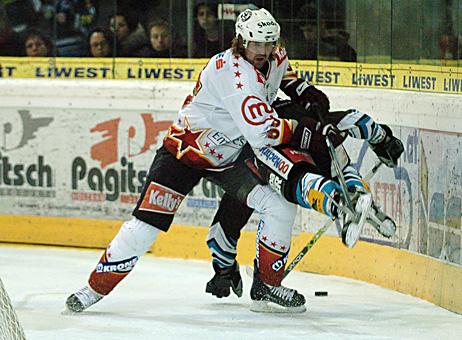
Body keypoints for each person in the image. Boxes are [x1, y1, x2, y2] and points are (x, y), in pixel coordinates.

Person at [65, 8, 330, 314]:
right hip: (184, 155)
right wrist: (301, 127)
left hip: (229, 159)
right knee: (144, 228)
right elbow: (262, 134)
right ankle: (93, 289)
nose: (264, 51)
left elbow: (282, 72)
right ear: (241, 41)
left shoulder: (273, 54)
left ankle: (267, 285)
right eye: (257, 44)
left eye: (270, 43)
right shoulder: (233, 74)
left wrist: (304, 91)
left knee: (280, 205)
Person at [205, 99, 404, 299]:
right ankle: (347, 196)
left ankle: (343, 200)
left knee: (300, 181)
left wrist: (223, 269)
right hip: (297, 149)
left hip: (295, 150)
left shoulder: (256, 142)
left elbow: (225, 224)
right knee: (313, 175)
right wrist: (384, 140)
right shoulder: (268, 136)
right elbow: (357, 120)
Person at [290, 3, 356, 62]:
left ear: (322, 24)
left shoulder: (341, 47)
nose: (306, 35)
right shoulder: (306, 49)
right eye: (303, 31)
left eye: (310, 30)